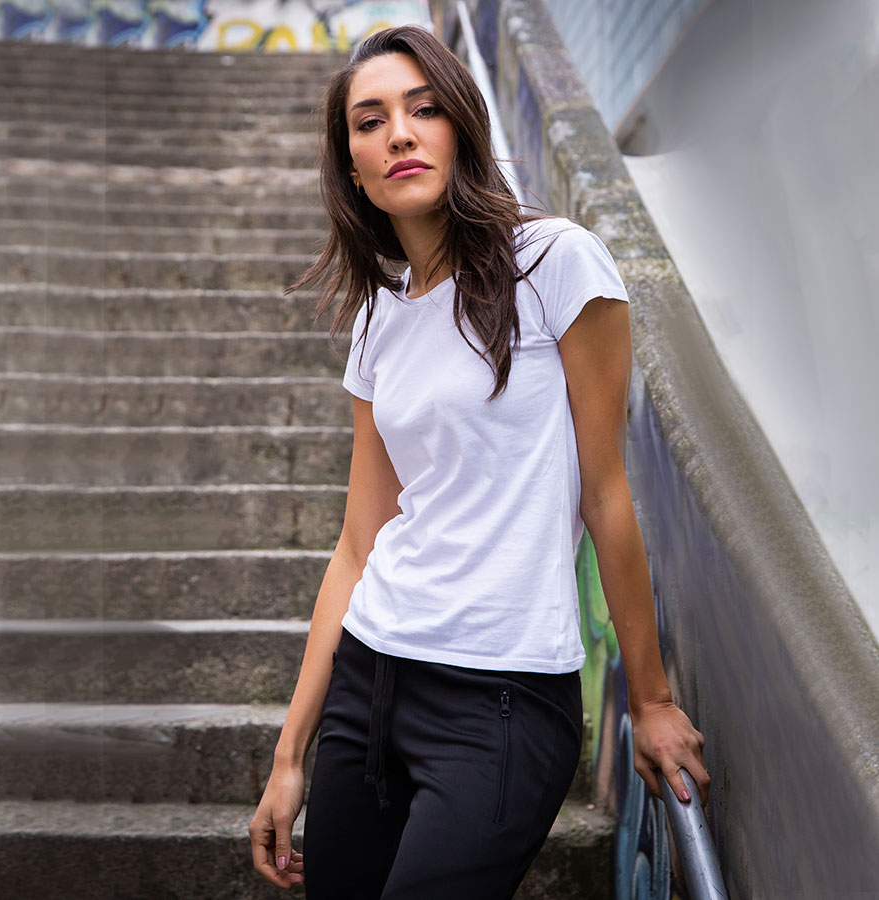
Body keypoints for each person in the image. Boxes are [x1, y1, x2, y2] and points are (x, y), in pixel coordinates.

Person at [248, 23, 709, 898]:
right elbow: (357, 544)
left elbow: (606, 493)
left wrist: (649, 700)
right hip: (368, 680)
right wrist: (289, 756)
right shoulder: (379, 320)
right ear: (352, 167)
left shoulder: (555, 262)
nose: (400, 134)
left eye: (424, 110)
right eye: (370, 121)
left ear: (462, 126)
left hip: (502, 700)